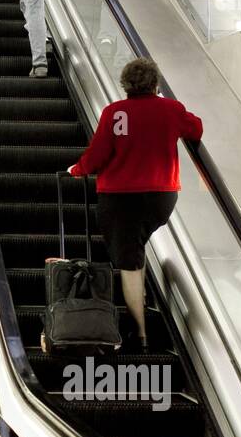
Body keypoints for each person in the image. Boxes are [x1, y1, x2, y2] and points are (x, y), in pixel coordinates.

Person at [67, 58, 203, 349]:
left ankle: (138, 334)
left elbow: (98, 155)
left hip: (120, 198)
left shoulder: (115, 113)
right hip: (161, 197)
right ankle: (139, 311)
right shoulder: (171, 109)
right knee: (135, 251)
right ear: (155, 83)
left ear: (125, 84)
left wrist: (77, 170)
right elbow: (196, 129)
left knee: (128, 261)